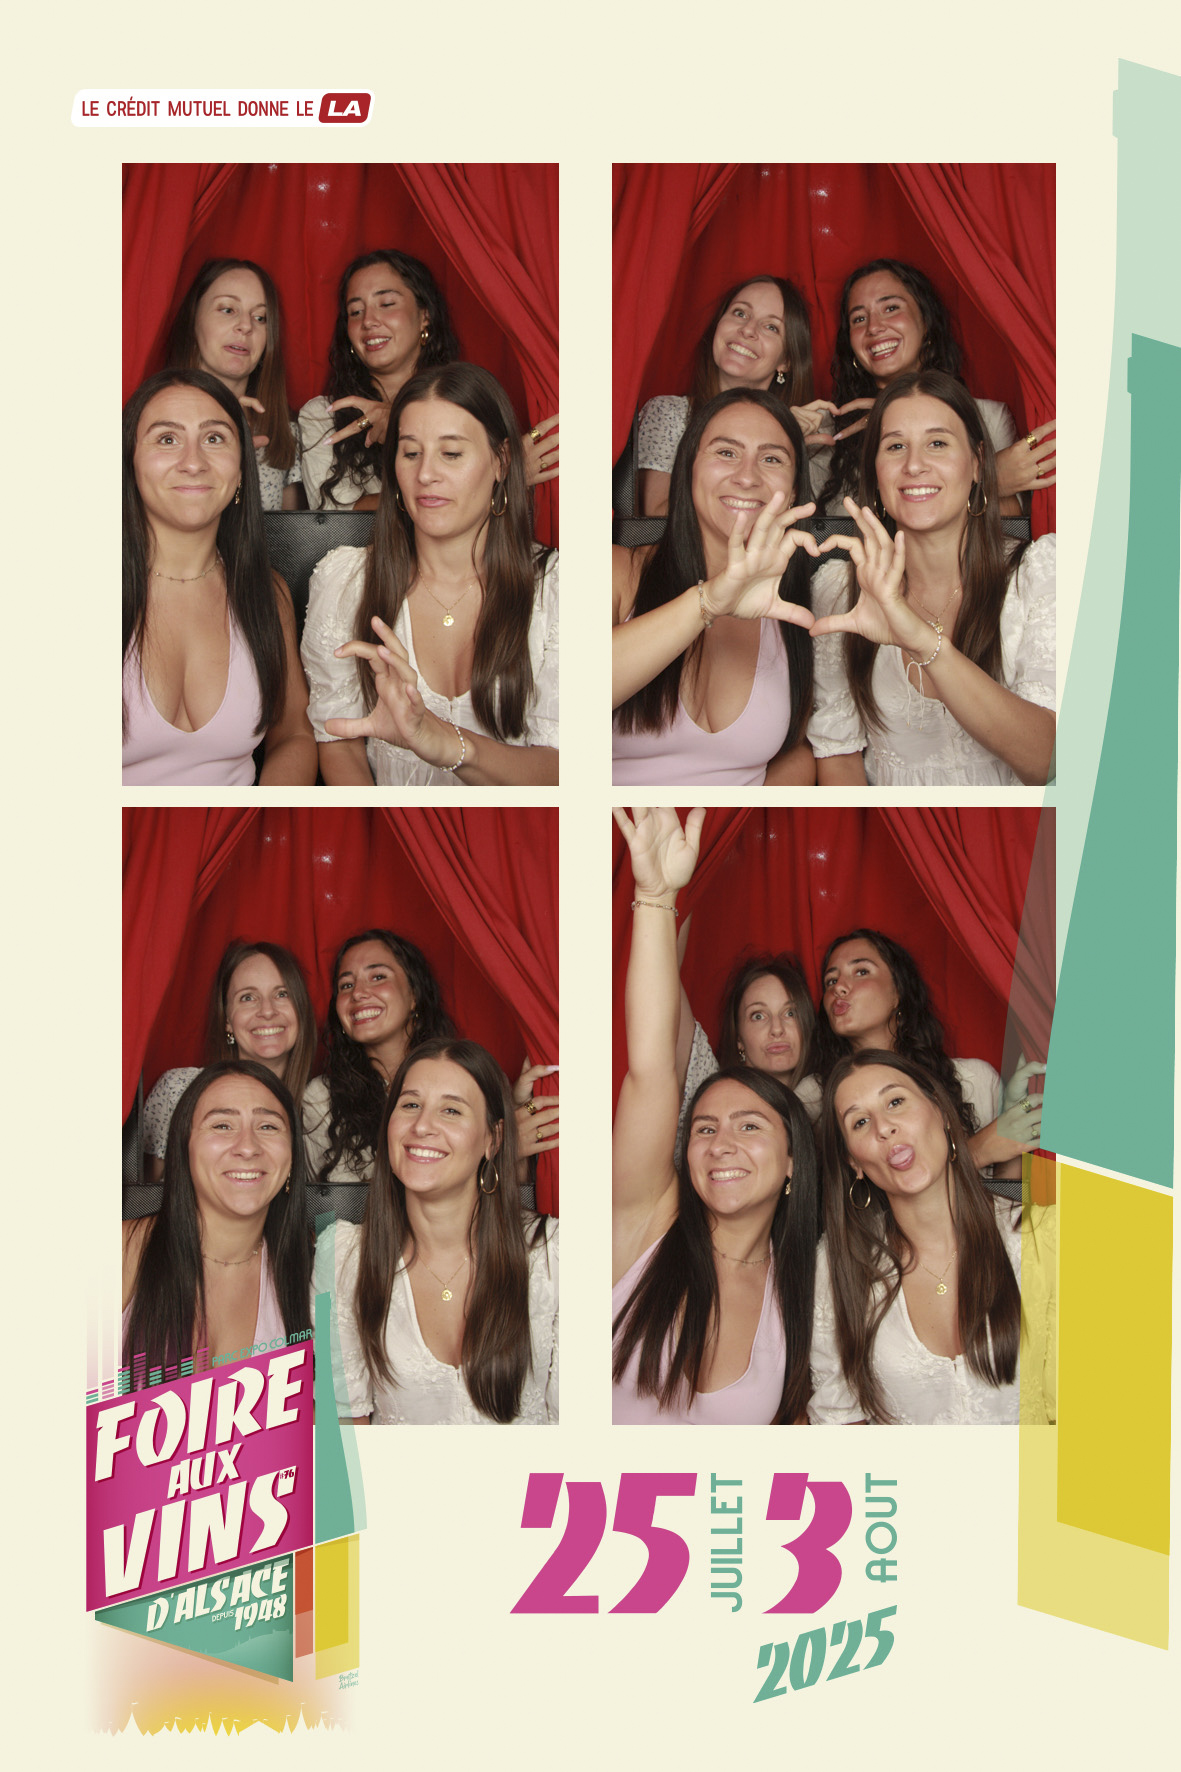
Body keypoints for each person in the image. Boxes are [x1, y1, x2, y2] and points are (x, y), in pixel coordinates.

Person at [612, 807, 818, 1424]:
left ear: (793, 1161)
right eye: (704, 1128)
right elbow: (651, 1068)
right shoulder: (644, 1223)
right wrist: (656, 900)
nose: (720, 1143)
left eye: (749, 1126)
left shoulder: (804, 1291)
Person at [301, 362, 559, 786]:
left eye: (451, 454)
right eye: (410, 453)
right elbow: (339, 741)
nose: (425, 474)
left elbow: (563, 770)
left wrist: (445, 743)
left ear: (501, 462)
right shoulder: (344, 581)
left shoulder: (556, 588)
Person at [808, 371, 1056, 787]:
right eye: (895, 446)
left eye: (937, 443)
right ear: (875, 474)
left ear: (977, 463)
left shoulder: (1038, 573)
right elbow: (838, 755)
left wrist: (923, 641)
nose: (914, 465)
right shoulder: (839, 589)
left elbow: (1047, 762)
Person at [315, 1039, 558, 1424]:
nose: (423, 1125)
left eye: (451, 1110)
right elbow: (342, 1429)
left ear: (493, 1139)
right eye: (410, 1105)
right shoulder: (343, 1257)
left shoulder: (554, 1254)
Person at [810, 1051, 1054, 1425]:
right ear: (853, 1162)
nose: (883, 1127)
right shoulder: (836, 1264)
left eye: (895, 1102)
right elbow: (839, 1418)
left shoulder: (1040, 1234)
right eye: (860, 1122)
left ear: (940, 1112)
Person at [613, 389, 821, 787]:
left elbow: (794, 750)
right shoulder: (617, 572)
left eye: (771, 459)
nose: (747, 476)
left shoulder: (794, 600)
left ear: (794, 490)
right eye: (726, 453)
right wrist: (708, 601)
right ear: (688, 469)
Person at [122, 369, 316, 787]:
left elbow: (294, 735)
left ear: (242, 468)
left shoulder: (268, 594)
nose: (193, 462)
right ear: (129, 463)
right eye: (167, 439)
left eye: (214, 438)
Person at [304, 928, 556, 1225]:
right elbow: (324, 1217)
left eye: (378, 977)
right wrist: (500, 1150)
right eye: (346, 985)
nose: (357, 993)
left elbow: (513, 1209)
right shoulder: (319, 1100)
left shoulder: (472, 1077)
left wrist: (507, 1124)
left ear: (414, 995)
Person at [299, 249, 558, 511]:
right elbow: (336, 520)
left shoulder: (471, 403)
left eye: (386, 304)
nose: (368, 321)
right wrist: (502, 480)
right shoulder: (323, 415)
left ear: (425, 316)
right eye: (355, 312)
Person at [816, 258, 1055, 517]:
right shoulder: (830, 432)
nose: (873, 327)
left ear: (926, 321)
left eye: (891, 308)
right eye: (859, 318)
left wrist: (983, 476)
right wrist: (989, 478)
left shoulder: (989, 417)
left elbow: (1010, 523)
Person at [122, 1062, 313, 1380]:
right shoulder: (117, 1254)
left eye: (268, 1127)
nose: (248, 1147)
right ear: (183, 1147)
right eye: (222, 1125)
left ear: (292, 1156)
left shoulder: (313, 1271)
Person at [805, 929, 1044, 1175]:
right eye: (830, 981)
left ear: (898, 991)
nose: (839, 988)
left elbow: (1005, 1193)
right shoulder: (812, 1097)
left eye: (861, 972)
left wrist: (1015, 1117)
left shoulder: (974, 1079)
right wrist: (974, 1152)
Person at [635, 275, 835, 516]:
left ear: (787, 360)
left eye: (771, 327)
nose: (748, 329)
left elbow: (811, 521)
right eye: (740, 313)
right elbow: (657, 517)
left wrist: (789, 441)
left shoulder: (813, 426)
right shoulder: (668, 414)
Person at [141, 940, 318, 1190]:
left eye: (282, 994)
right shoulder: (177, 1090)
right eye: (248, 997)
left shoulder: (321, 1107)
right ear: (227, 1020)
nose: (267, 1011)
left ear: (301, 1010)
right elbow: (140, 1197)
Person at [165, 258, 303, 511]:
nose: (246, 326)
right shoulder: (152, 422)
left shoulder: (285, 432)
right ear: (193, 320)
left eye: (260, 317)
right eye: (228, 310)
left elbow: (288, 532)